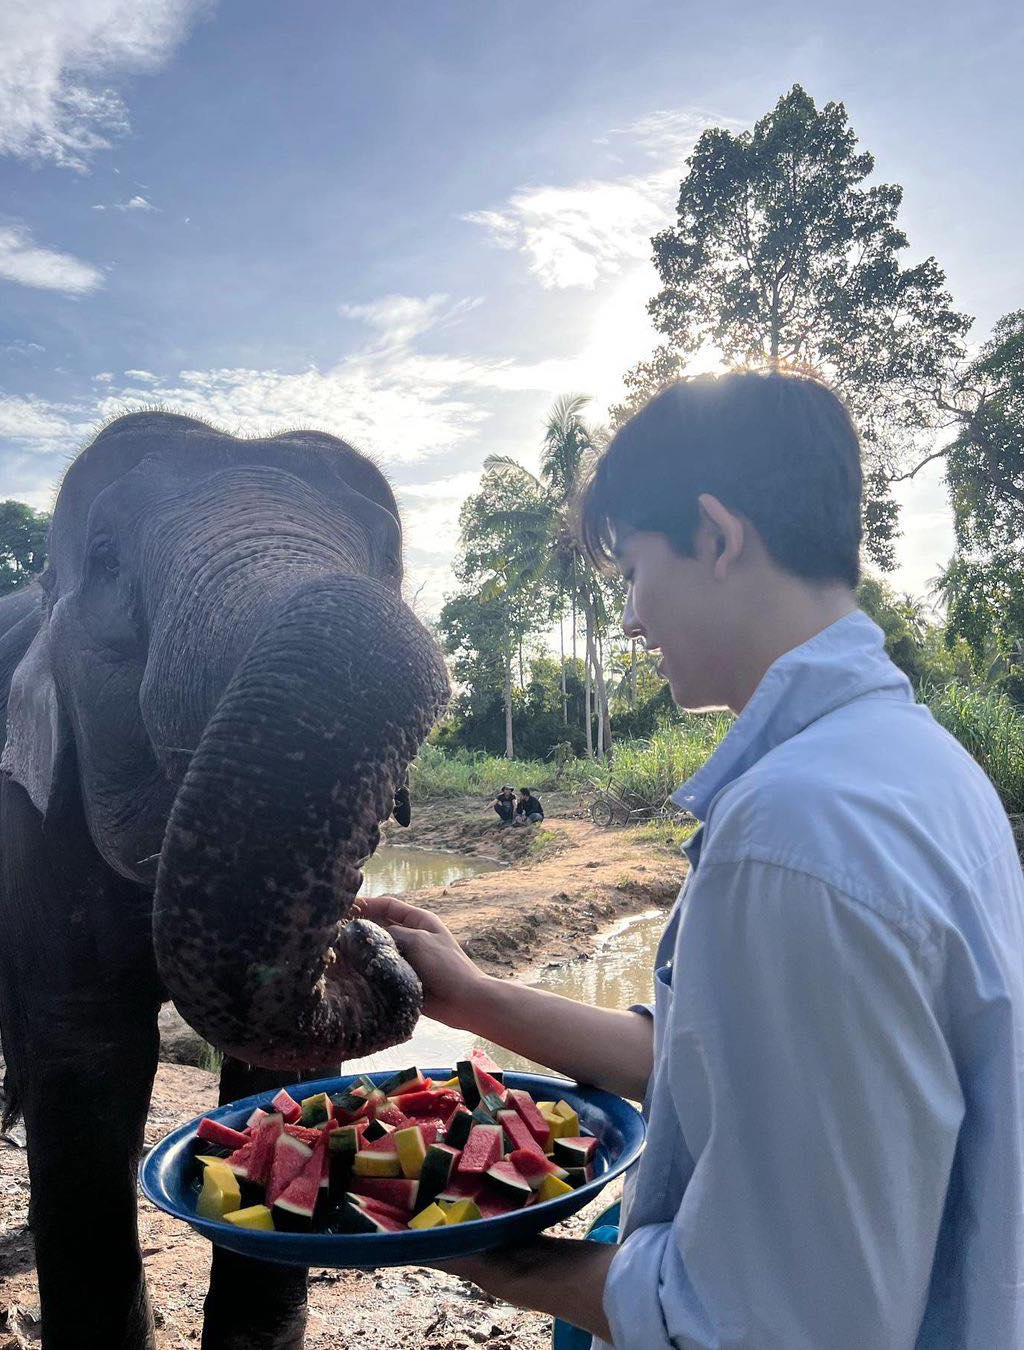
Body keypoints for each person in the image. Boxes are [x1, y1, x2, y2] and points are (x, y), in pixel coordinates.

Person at [359, 370, 1024, 1348]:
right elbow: (716, 1063)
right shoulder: (923, 767)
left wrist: (511, 1258)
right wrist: (467, 993)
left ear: (716, 537)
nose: (630, 618)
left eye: (632, 569)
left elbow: (774, 1323)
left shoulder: (795, 830)